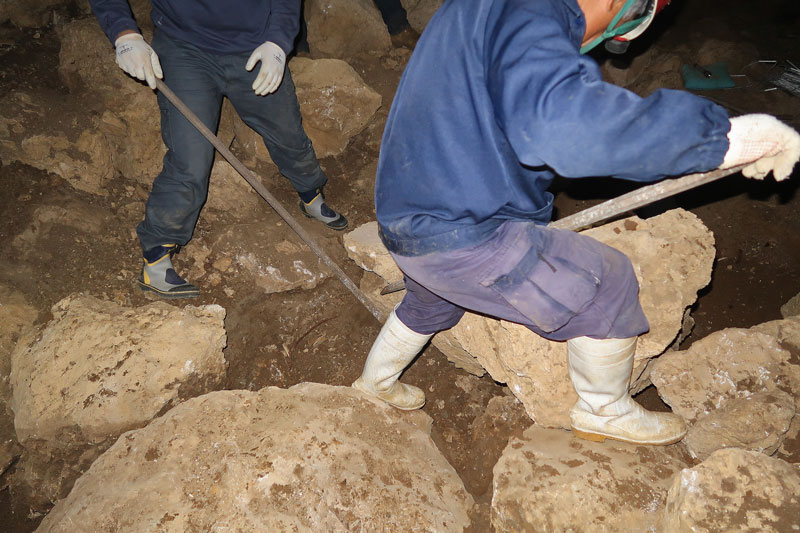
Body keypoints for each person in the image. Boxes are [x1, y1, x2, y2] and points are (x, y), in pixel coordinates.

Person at [352, 0, 800, 446]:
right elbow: (564, 127)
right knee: (610, 280)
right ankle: (603, 410)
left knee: (431, 302)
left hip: (407, 209)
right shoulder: (535, 12)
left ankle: (375, 384)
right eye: (623, 25)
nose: (595, 42)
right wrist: (720, 139)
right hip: (462, 231)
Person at [89, 0, 348, 299]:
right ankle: (157, 256)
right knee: (190, 159)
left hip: (255, 45)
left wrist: (278, 41)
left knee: (286, 131)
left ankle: (310, 192)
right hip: (184, 48)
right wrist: (124, 35)